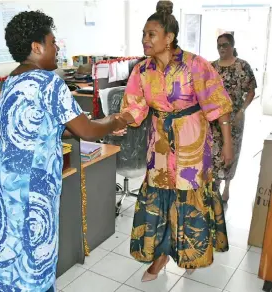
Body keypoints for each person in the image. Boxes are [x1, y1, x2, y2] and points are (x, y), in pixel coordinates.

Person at [0, 11, 126, 292]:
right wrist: (114, 120)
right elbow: (86, 130)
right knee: (35, 265)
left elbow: (37, 128)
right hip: (33, 188)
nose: (57, 48)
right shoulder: (50, 83)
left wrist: (82, 127)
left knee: (8, 258)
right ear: (36, 47)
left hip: (4, 183)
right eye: (52, 42)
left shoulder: (10, 81)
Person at [116, 0, 234, 282]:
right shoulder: (141, 71)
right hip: (159, 146)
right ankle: (160, 257)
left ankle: (190, 254)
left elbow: (220, 106)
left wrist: (228, 145)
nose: (145, 39)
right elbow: (133, 107)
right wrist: (118, 122)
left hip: (192, 145)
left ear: (168, 38)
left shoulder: (196, 65)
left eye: (151, 34)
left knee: (188, 200)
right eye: (144, 34)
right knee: (160, 199)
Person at [211, 33, 257, 202]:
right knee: (215, 154)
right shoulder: (212, 67)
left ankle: (227, 186)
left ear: (232, 46)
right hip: (214, 120)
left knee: (231, 153)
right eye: (219, 45)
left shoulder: (242, 66)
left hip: (235, 119)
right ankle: (214, 187)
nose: (221, 48)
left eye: (224, 45)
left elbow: (251, 91)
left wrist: (242, 110)